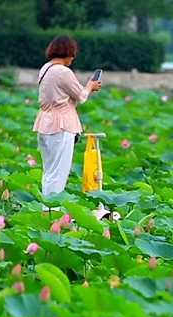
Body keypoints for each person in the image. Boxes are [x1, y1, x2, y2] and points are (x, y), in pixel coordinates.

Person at [32, 34, 101, 211]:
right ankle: (53, 212)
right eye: (73, 53)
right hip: (61, 126)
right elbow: (81, 96)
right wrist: (90, 86)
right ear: (69, 52)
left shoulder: (45, 68)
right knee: (59, 173)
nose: (73, 57)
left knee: (49, 173)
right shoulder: (63, 71)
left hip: (44, 124)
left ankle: (45, 210)